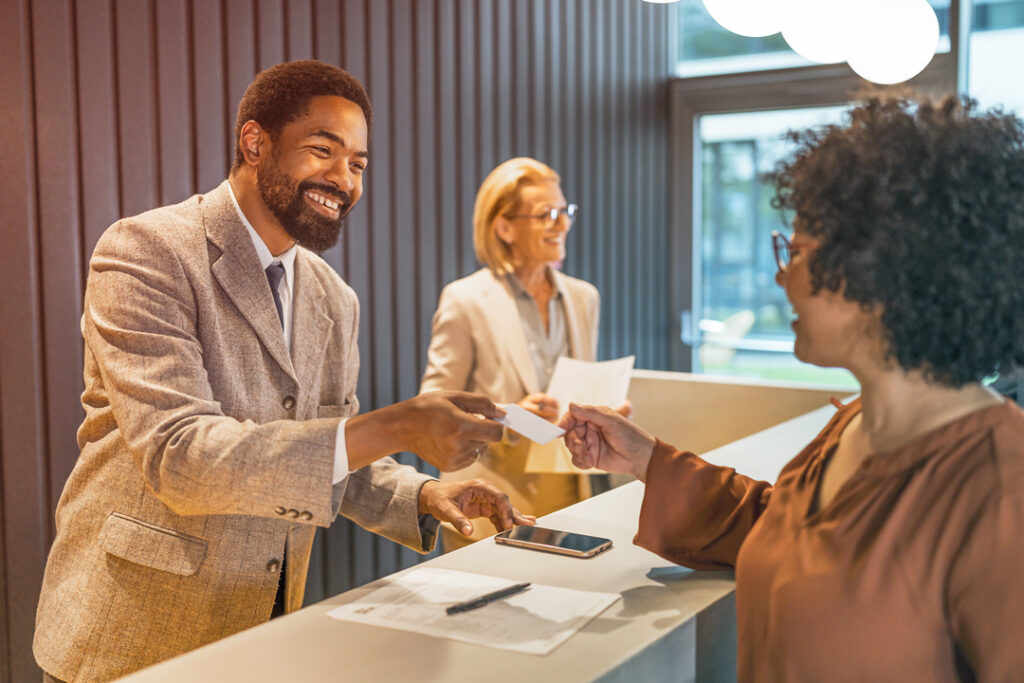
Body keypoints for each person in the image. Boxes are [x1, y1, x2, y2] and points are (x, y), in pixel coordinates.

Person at [33, 61, 533, 682]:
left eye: (357, 164)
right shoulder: (145, 251)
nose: (342, 179)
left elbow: (326, 450)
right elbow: (181, 458)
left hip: (262, 633)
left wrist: (422, 493)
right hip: (131, 637)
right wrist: (400, 424)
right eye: (323, 150)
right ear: (254, 142)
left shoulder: (333, 297)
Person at [560, 96, 1024, 681]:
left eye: (798, 251)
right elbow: (778, 524)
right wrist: (646, 458)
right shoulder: (853, 424)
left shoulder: (1002, 486)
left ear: (884, 270)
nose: (782, 275)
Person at [420, 157, 623, 549]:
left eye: (564, 211)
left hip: (574, 502)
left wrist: (607, 414)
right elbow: (432, 411)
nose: (561, 224)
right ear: (504, 227)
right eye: (546, 214)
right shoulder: (466, 300)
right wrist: (508, 415)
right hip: (490, 509)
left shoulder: (584, 298)